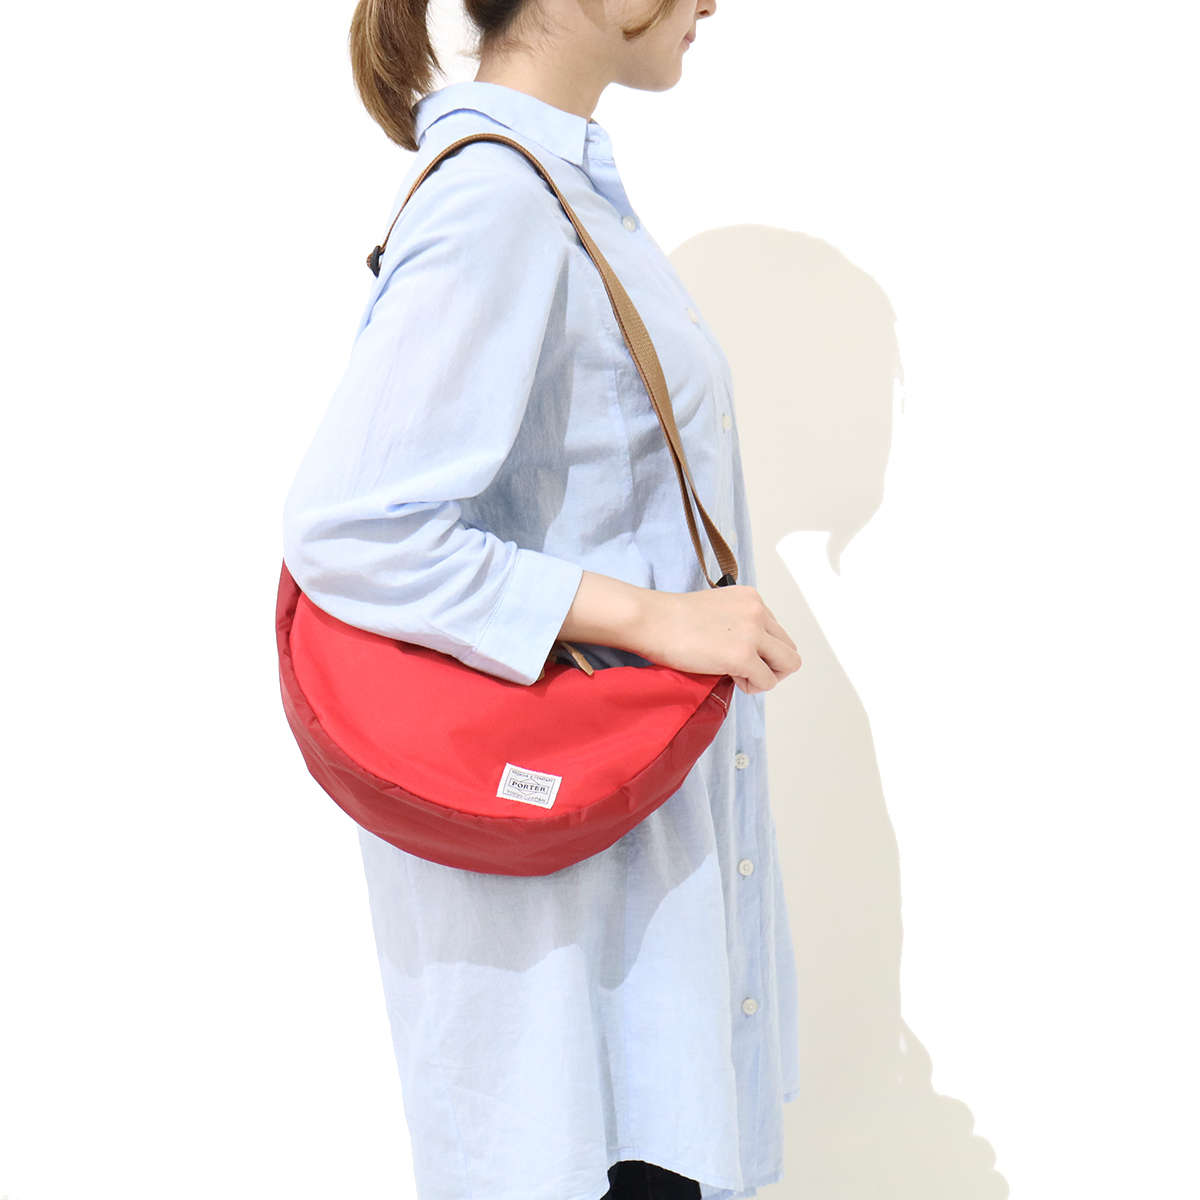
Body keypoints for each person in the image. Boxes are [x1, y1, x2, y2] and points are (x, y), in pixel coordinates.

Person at [282, 0, 802, 1196]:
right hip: (570, 964)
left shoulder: (558, 194)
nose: (712, 3)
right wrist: (659, 617)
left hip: (620, 923)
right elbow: (352, 524)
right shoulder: (499, 200)